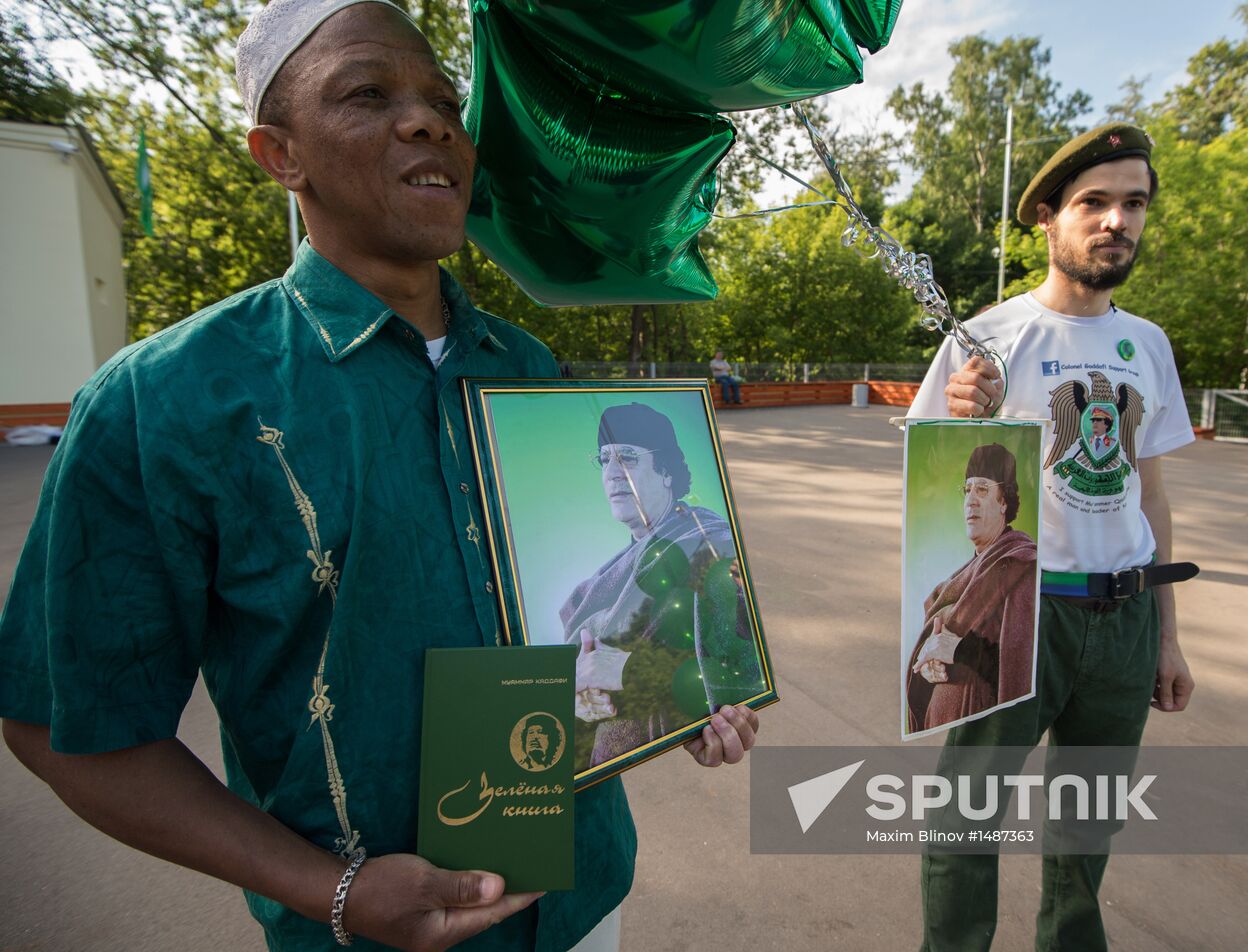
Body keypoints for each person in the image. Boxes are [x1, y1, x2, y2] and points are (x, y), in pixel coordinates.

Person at [0, 3, 758, 951]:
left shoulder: (527, 369)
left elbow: (561, 638)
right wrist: (335, 891)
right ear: (280, 154)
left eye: (445, 101)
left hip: (581, 900)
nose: (429, 121)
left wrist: (672, 694)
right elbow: (64, 727)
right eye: (367, 93)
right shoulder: (162, 402)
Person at [907, 123, 1198, 952]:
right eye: (1094, 202)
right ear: (1047, 217)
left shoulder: (1149, 345)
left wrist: (1167, 637)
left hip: (1125, 621)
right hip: (1021, 613)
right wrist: (965, 420)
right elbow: (936, 485)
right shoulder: (985, 341)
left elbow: (1150, 493)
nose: (1117, 221)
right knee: (966, 818)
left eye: (1134, 203)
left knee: (1087, 826)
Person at [563, 403, 764, 771]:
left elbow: (736, 666)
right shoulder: (609, 577)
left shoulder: (708, 544)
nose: (612, 473)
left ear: (667, 472)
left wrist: (626, 671)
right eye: (604, 460)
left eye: (627, 457)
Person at [905, 443, 1037, 733]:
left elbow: (1020, 663)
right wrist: (929, 664)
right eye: (967, 490)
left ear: (1004, 502)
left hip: (983, 729)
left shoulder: (1019, 564)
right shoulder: (968, 571)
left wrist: (960, 650)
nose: (971, 501)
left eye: (982, 489)